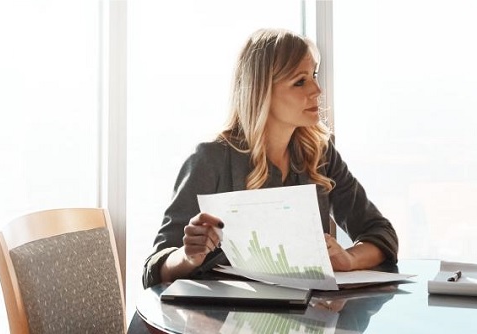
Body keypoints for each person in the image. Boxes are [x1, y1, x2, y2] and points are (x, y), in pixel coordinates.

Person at [141, 28, 399, 288]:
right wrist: (188, 256)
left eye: (314, 76)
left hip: (303, 319)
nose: (317, 90)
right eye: (300, 81)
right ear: (262, 91)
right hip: (220, 321)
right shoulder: (211, 159)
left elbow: (381, 234)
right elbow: (153, 270)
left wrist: (349, 259)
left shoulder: (319, 155)